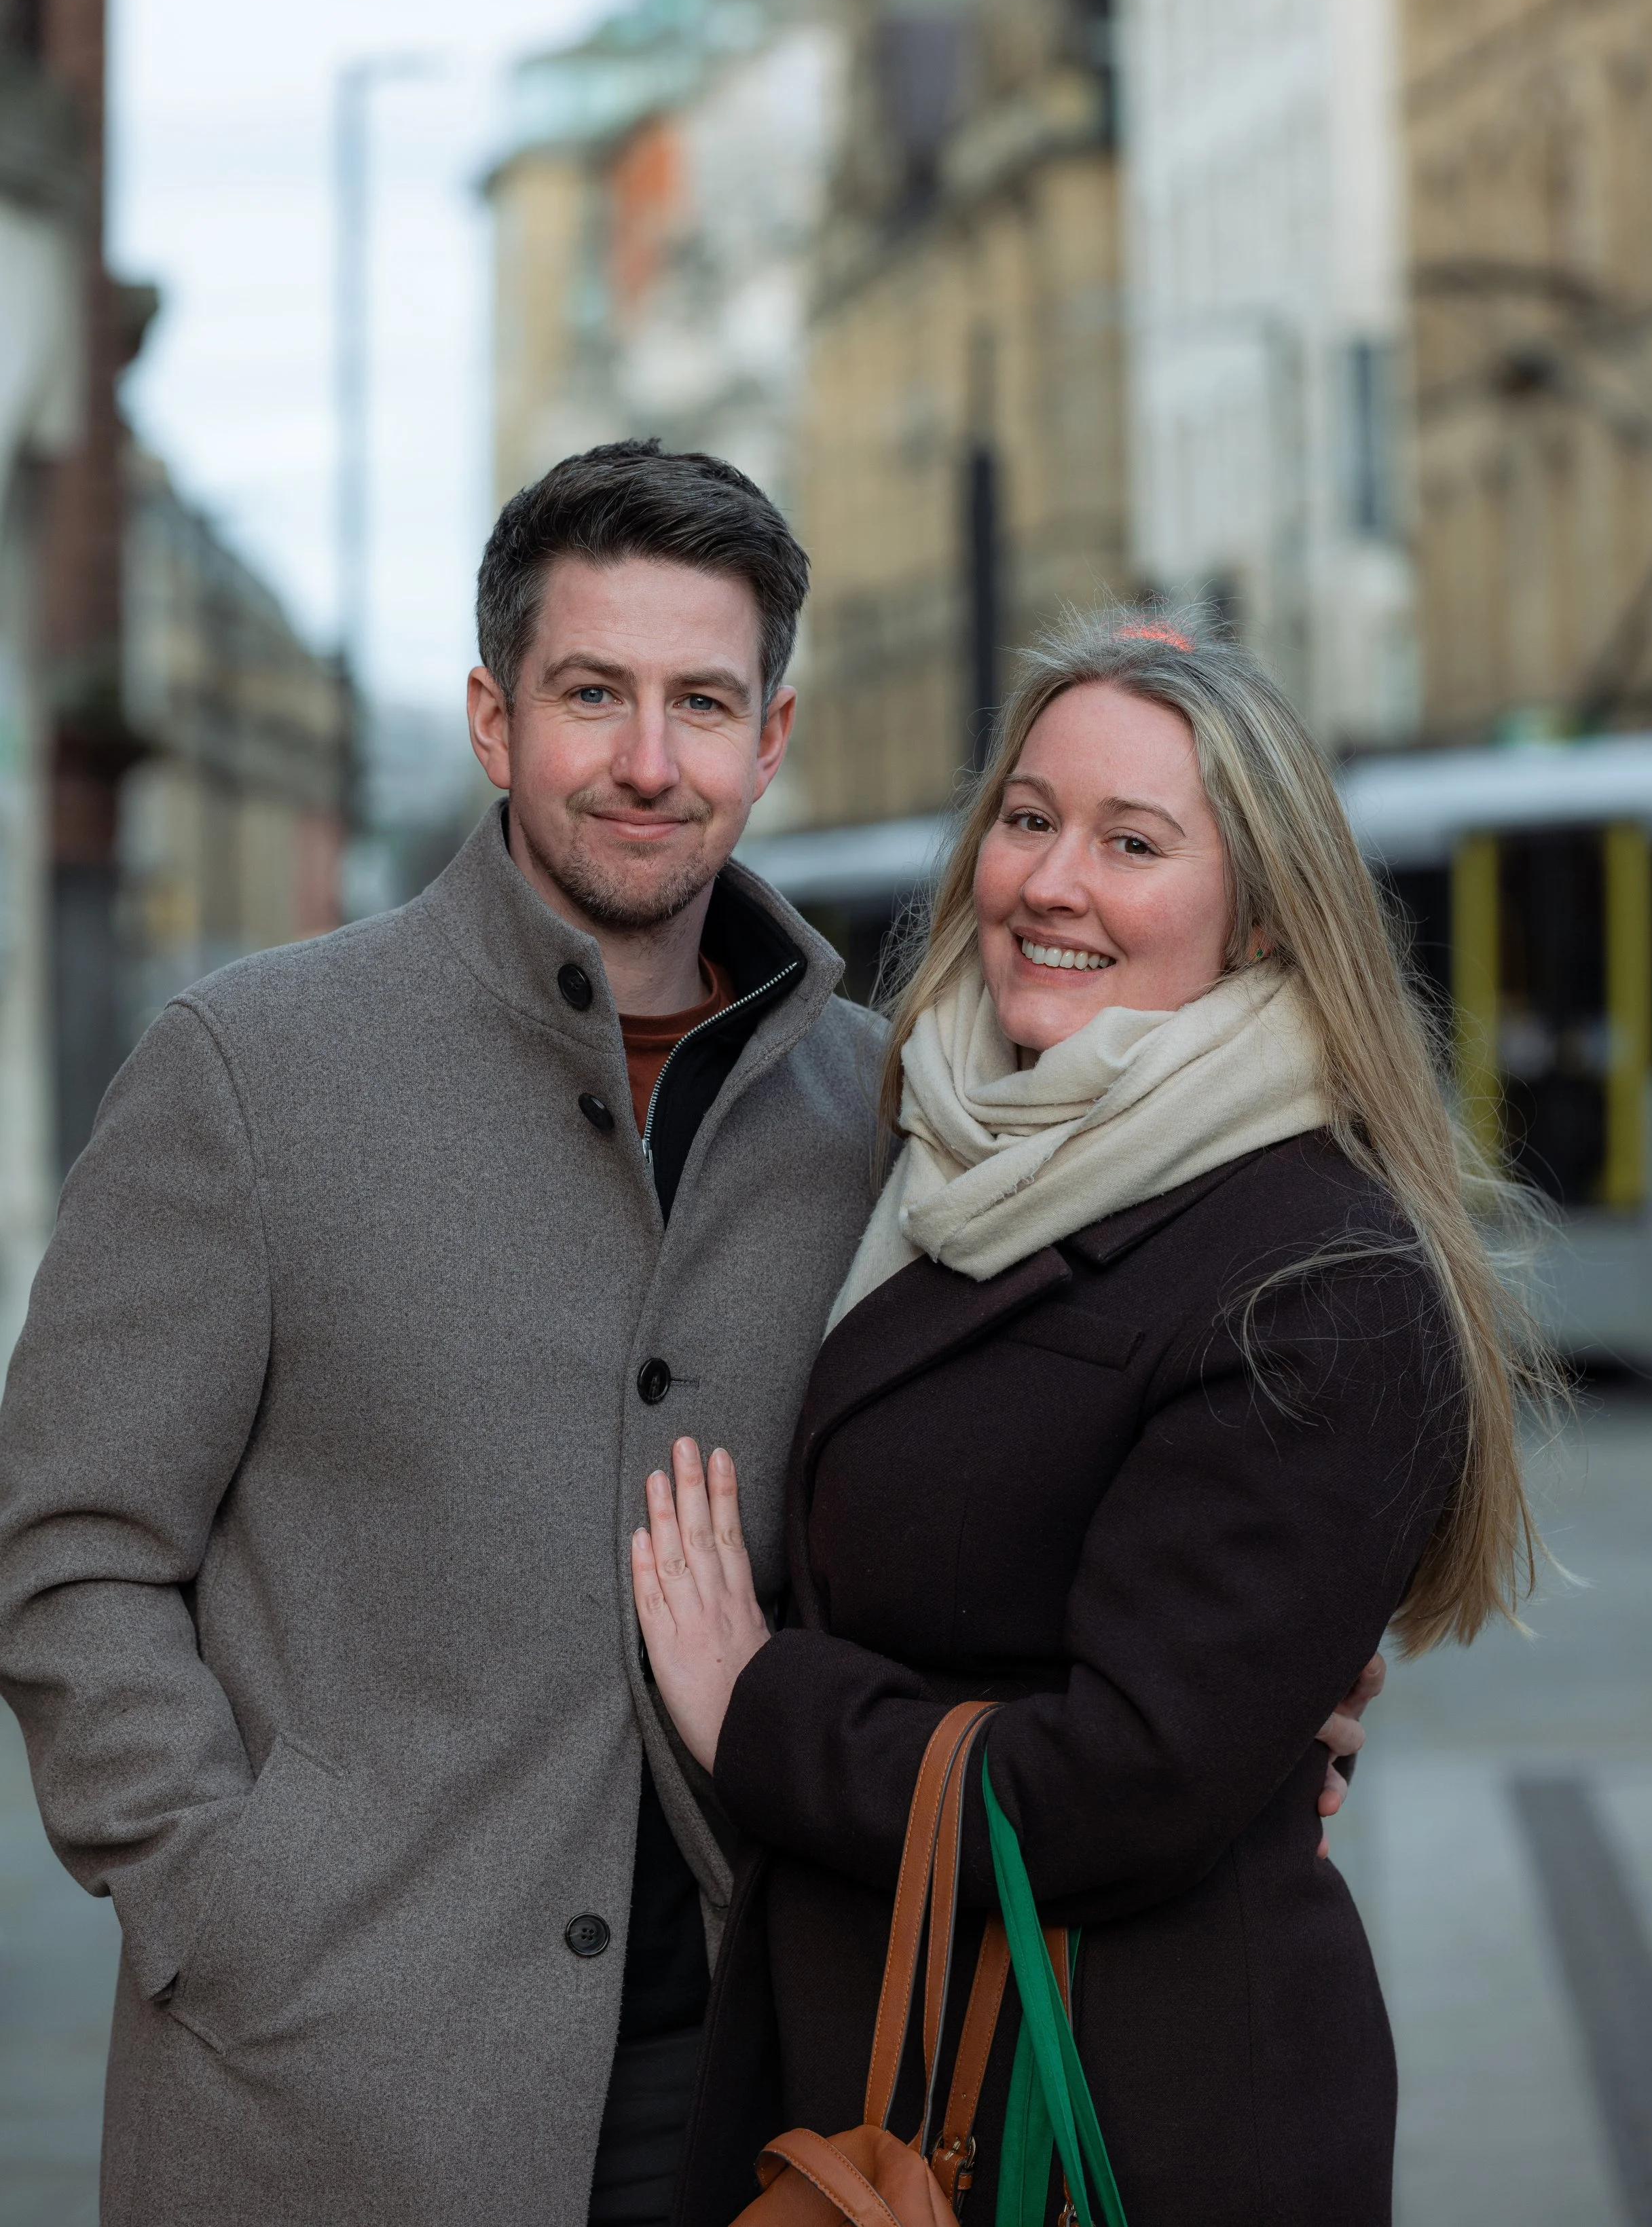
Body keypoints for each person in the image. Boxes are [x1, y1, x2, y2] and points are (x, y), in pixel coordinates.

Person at [0, 449, 1372, 2227]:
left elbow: (1058, 1495)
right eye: (594, 694)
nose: (650, 761)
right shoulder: (250, 1070)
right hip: (325, 2097)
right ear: (495, 720)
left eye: (701, 702)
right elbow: (70, 1549)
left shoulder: (894, 1111)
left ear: (771, 733)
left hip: (765, 2088)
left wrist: (1278, 1673)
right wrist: (219, 1900)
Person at [631, 614, 1547, 2227]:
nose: (1051, 881)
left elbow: (1120, 1785)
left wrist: (755, 1700)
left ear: (1261, 918)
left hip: (1118, 2118)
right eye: (1029, 816)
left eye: (1132, 843)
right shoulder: (942, 1153)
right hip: (885, 2073)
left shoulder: (1315, 1279)